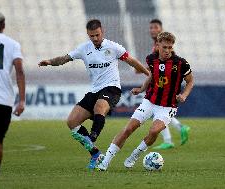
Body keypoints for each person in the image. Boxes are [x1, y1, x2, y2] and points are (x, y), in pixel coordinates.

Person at [38, 19, 149, 169]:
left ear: (102, 31)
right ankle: (95, 153)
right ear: (88, 35)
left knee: (99, 107)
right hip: (95, 90)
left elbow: (132, 61)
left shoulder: (113, 47)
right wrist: (49, 62)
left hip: (112, 88)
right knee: (72, 122)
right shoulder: (84, 49)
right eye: (92, 36)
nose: (95, 38)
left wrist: (149, 74)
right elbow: (64, 58)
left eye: (97, 35)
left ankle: (93, 136)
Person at [97, 31, 194, 171]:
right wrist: (142, 89)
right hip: (150, 101)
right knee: (128, 129)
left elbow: (190, 81)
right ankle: (105, 161)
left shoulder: (180, 63)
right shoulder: (151, 59)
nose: (167, 50)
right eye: (165, 47)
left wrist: (184, 94)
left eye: (170, 47)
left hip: (168, 106)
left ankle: (135, 155)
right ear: (158, 45)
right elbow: (152, 76)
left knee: (154, 131)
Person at [0, 11, 26, 188]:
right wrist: (22, 100)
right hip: (3, 100)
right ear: (3, 25)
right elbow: (19, 71)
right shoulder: (12, 44)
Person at [149, 19, 190, 149]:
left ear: (161, 30)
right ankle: (179, 128)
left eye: (155, 27)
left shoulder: (161, 46)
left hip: (164, 85)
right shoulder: (157, 45)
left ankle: (169, 139)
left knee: (158, 111)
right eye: (151, 28)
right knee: (160, 111)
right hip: (160, 82)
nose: (152, 30)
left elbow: (168, 64)